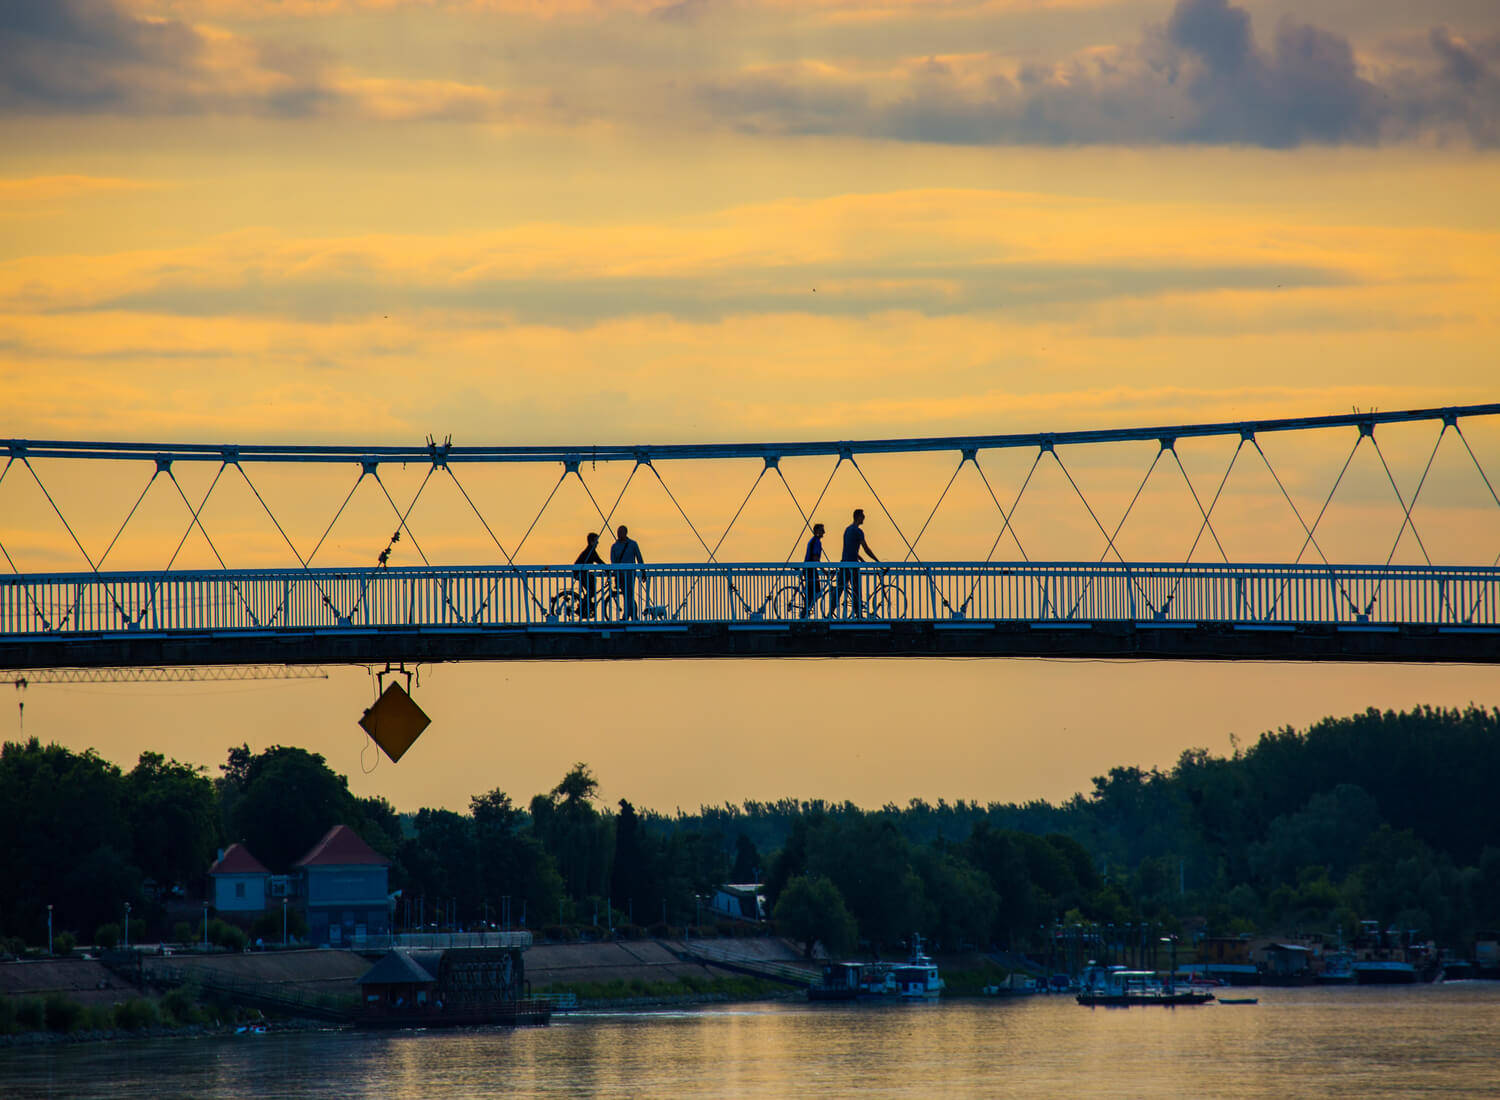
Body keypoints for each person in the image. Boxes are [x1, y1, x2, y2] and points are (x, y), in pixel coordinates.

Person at [833, 508, 878, 617]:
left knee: (839, 589)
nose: (864, 518)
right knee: (856, 589)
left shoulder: (847, 530)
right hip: (853, 565)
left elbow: (849, 548)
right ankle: (858, 613)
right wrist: (877, 561)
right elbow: (866, 548)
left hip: (844, 563)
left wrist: (861, 559)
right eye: (863, 516)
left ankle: (830, 612)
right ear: (858, 517)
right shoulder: (858, 532)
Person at [610, 525, 644, 619]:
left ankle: (627, 615)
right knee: (626, 595)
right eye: (618, 532)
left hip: (630, 574)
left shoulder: (633, 544)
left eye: (620, 532)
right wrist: (616, 575)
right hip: (620, 575)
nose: (619, 534)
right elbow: (613, 562)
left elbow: (639, 557)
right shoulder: (614, 546)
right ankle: (632, 615)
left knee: (629, 594)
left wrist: (643, 571)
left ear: (625, 533)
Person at [573, 532, 603, 617]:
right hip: (580, 572)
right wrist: (608, 569)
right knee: (591, 591)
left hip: (581, 572)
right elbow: (599, 561)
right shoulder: (590, 550)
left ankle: (587, 604)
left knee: (592, 585)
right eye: (596, 540)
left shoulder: (590, 550)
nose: (598, 543)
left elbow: (598, 561)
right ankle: (581, 608)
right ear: (592, 541)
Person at [802, 522, 826, 617]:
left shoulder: (813, 540)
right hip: (810, 570)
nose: (824, 532)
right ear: (817, 531)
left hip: (809, 569)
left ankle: (806, 611)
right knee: (815, 592)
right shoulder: (816, 542)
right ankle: (804, 612)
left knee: (813, 592)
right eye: (822, 530)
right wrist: (824, 571)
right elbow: (815, 559)